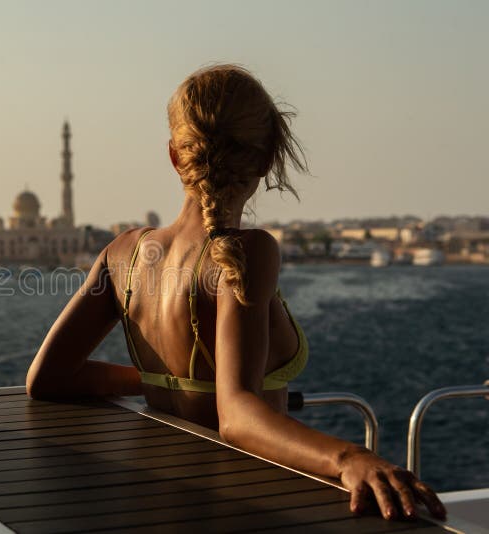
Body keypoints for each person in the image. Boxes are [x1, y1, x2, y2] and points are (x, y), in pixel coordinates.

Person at [26, 64, 447, 522]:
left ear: (174, 155)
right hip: (246, 503)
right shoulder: (250, 252)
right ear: (266, 161)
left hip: (157, 503)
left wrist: (156, 382)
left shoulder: (122, 255)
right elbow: (237, 414)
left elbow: (48, 378)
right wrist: (350, 459)